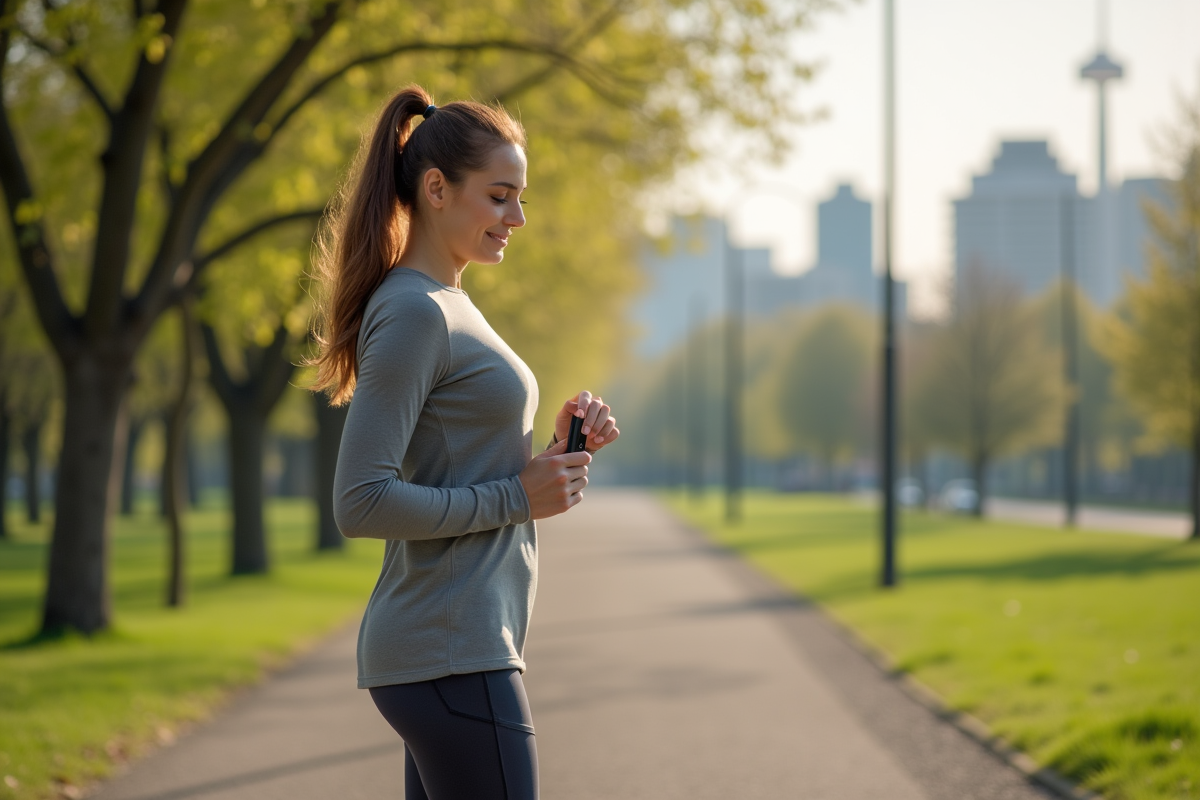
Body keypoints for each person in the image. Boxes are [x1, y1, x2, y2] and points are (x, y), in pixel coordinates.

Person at [309, 84, 619, 800]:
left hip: (456, 652)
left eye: (521, 199)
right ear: (438, 188)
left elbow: (455, 463)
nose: (516, 219)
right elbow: (361, 501)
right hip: (450, 654)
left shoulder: (448, 301)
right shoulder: (417, 311)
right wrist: (517, 495)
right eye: (501, 196)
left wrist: (556, 451)